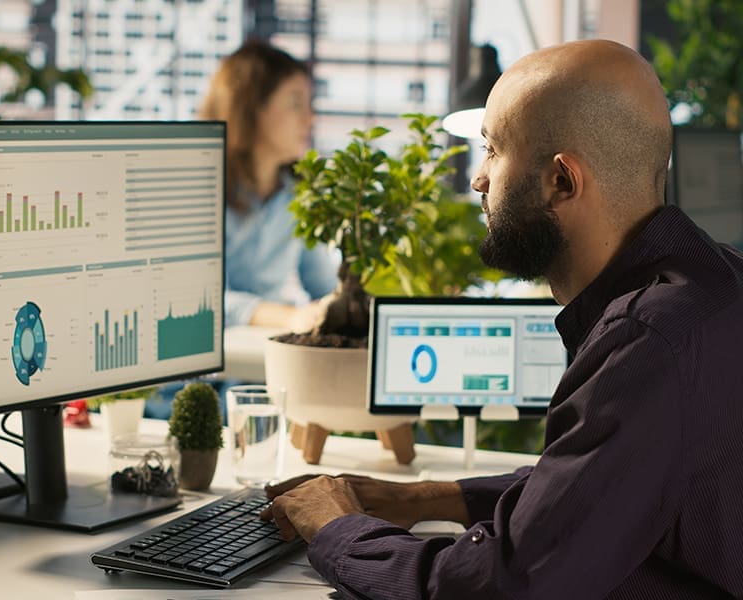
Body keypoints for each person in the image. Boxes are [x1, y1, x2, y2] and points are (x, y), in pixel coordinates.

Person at [260, 39, 743, 598]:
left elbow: (501, 585)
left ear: (562, 181)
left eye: (492, 149)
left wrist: (339, 528)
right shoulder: (719, 283)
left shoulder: (645, 343)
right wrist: (426, 498)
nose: (478, 180)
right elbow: (595, 488)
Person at [197, 40, 339, 331]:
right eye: (296, 103)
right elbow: (195, 301)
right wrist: (285, 316)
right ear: (252, 108)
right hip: (206, 366)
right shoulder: (199, 190)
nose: (310, 119)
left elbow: (324, 286)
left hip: (261, 358)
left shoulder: (298, 195)